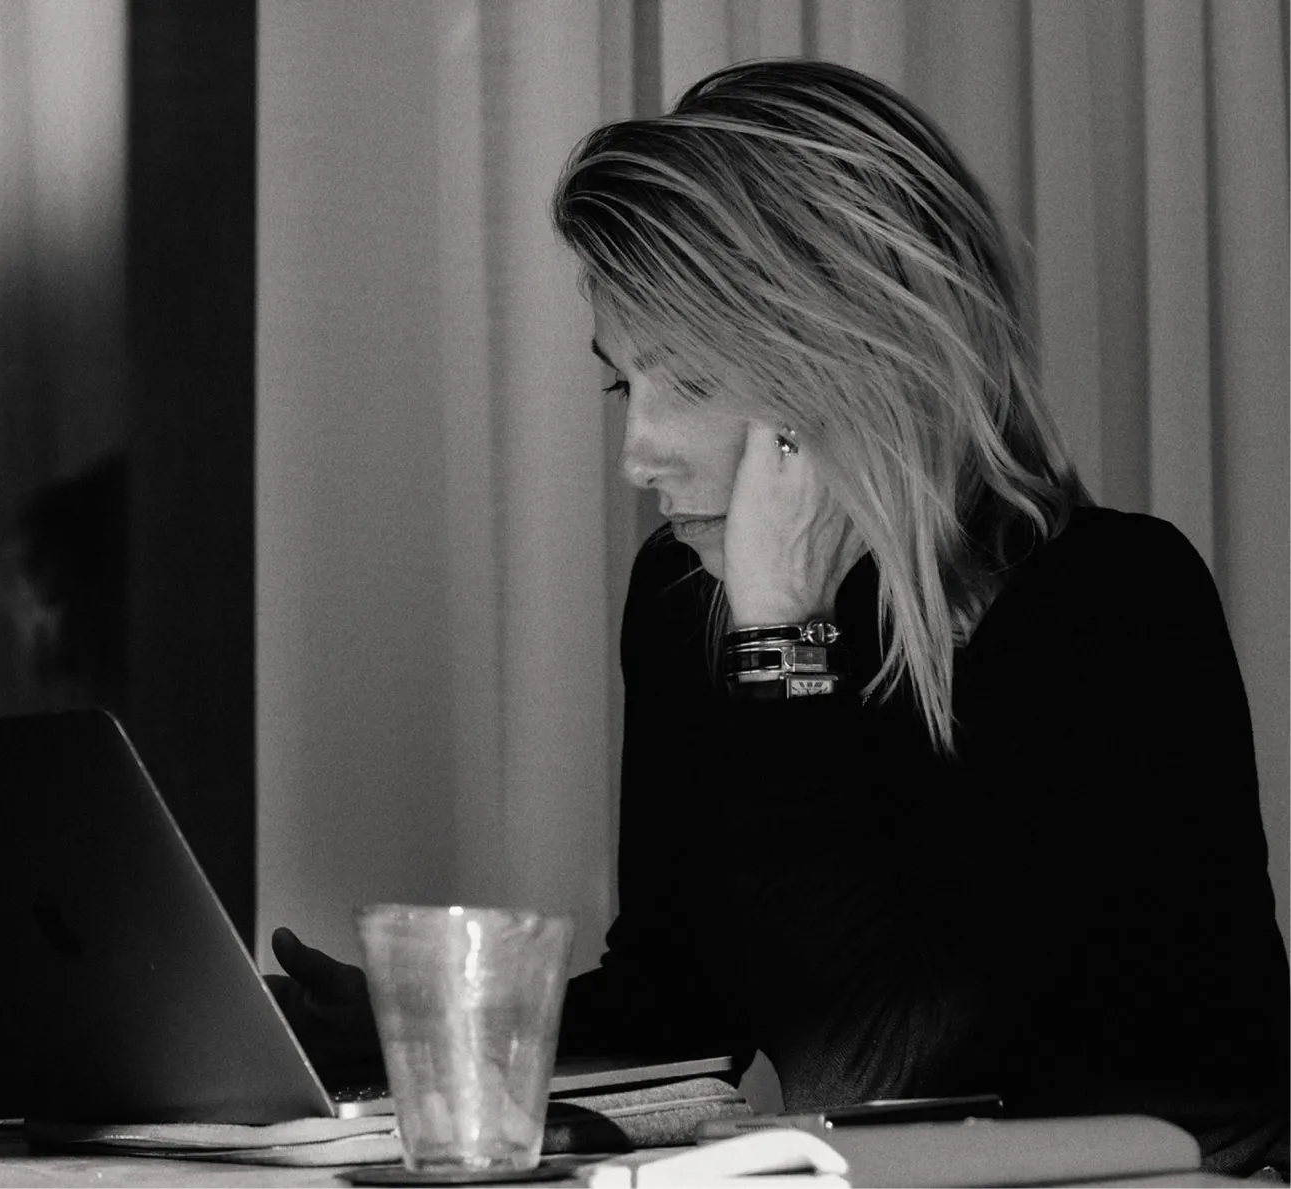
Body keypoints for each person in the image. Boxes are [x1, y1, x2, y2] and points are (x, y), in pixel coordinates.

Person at [268, 59, 1288, 1177]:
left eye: (689, 382)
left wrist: (781, 640)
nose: (636, 454)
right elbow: (684, 1002)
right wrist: (424, 1033)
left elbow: (870, 1071)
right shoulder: (684, 603)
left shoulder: (1114, 604)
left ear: (851, 363)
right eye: (622, 386)